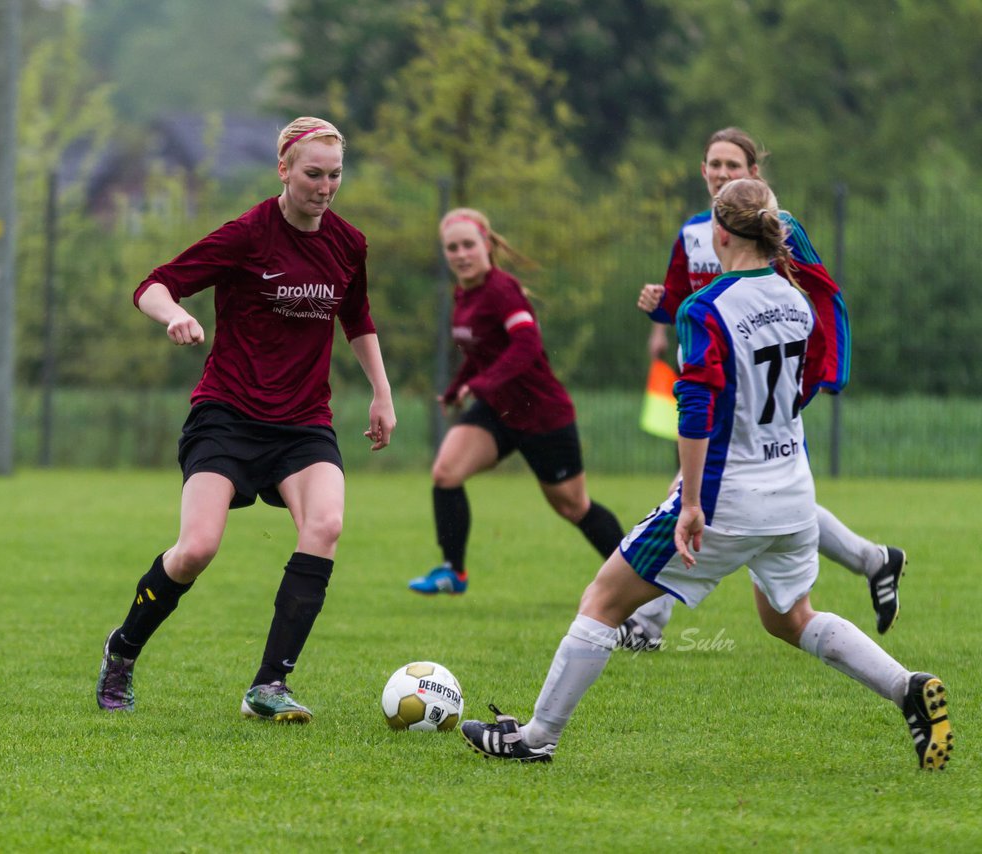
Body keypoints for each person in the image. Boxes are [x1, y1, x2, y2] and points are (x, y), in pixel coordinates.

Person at [460, 178, 953, 770]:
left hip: (728, 498)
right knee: (790, 619)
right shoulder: (795, 299)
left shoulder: (707, 306)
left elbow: (695, 409)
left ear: (718, 233)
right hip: (793, 494)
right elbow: (807, 377)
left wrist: (689, 503)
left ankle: (535, 738)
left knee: (602, 601)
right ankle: (908, 688)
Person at [95, 117, 397, 723]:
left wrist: (381, 394)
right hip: (227, 416)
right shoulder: (247, 235)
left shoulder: (348, 243)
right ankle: (122, 651)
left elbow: (357, 317)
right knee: (197, 548)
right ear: (283, 170)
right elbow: (154, 285)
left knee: (326, 526)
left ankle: (269, 685)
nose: (326, 187)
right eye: (313, 174)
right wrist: (173, 316)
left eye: (335, 174)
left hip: (303, 423)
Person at [623, 127, 904, 649]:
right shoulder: (692, 232)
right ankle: (873, 559)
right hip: (709, 384)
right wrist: (658, 303)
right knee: (760, 496)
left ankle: (644, 623)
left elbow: (822, 296)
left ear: (755, 173)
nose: (723, 174)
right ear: (702, 170)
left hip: (755, 386)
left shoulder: (777, 229)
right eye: (714, 164)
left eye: (734, 165)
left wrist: (826, 374)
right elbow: (685, 300)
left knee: (696, 495)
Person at [405, 209, 627, 595]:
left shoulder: (502, 290)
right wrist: (461, 386)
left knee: (573, 507)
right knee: (446, 473)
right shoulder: (464, 294)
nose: (460, 254)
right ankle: (452, 572)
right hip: (497, 409)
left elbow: (527, 344)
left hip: (540, 414)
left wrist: (482, 383)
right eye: (452, 247)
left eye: (468, 245)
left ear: (487, 246)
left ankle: (634, 575)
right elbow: (480, 351)